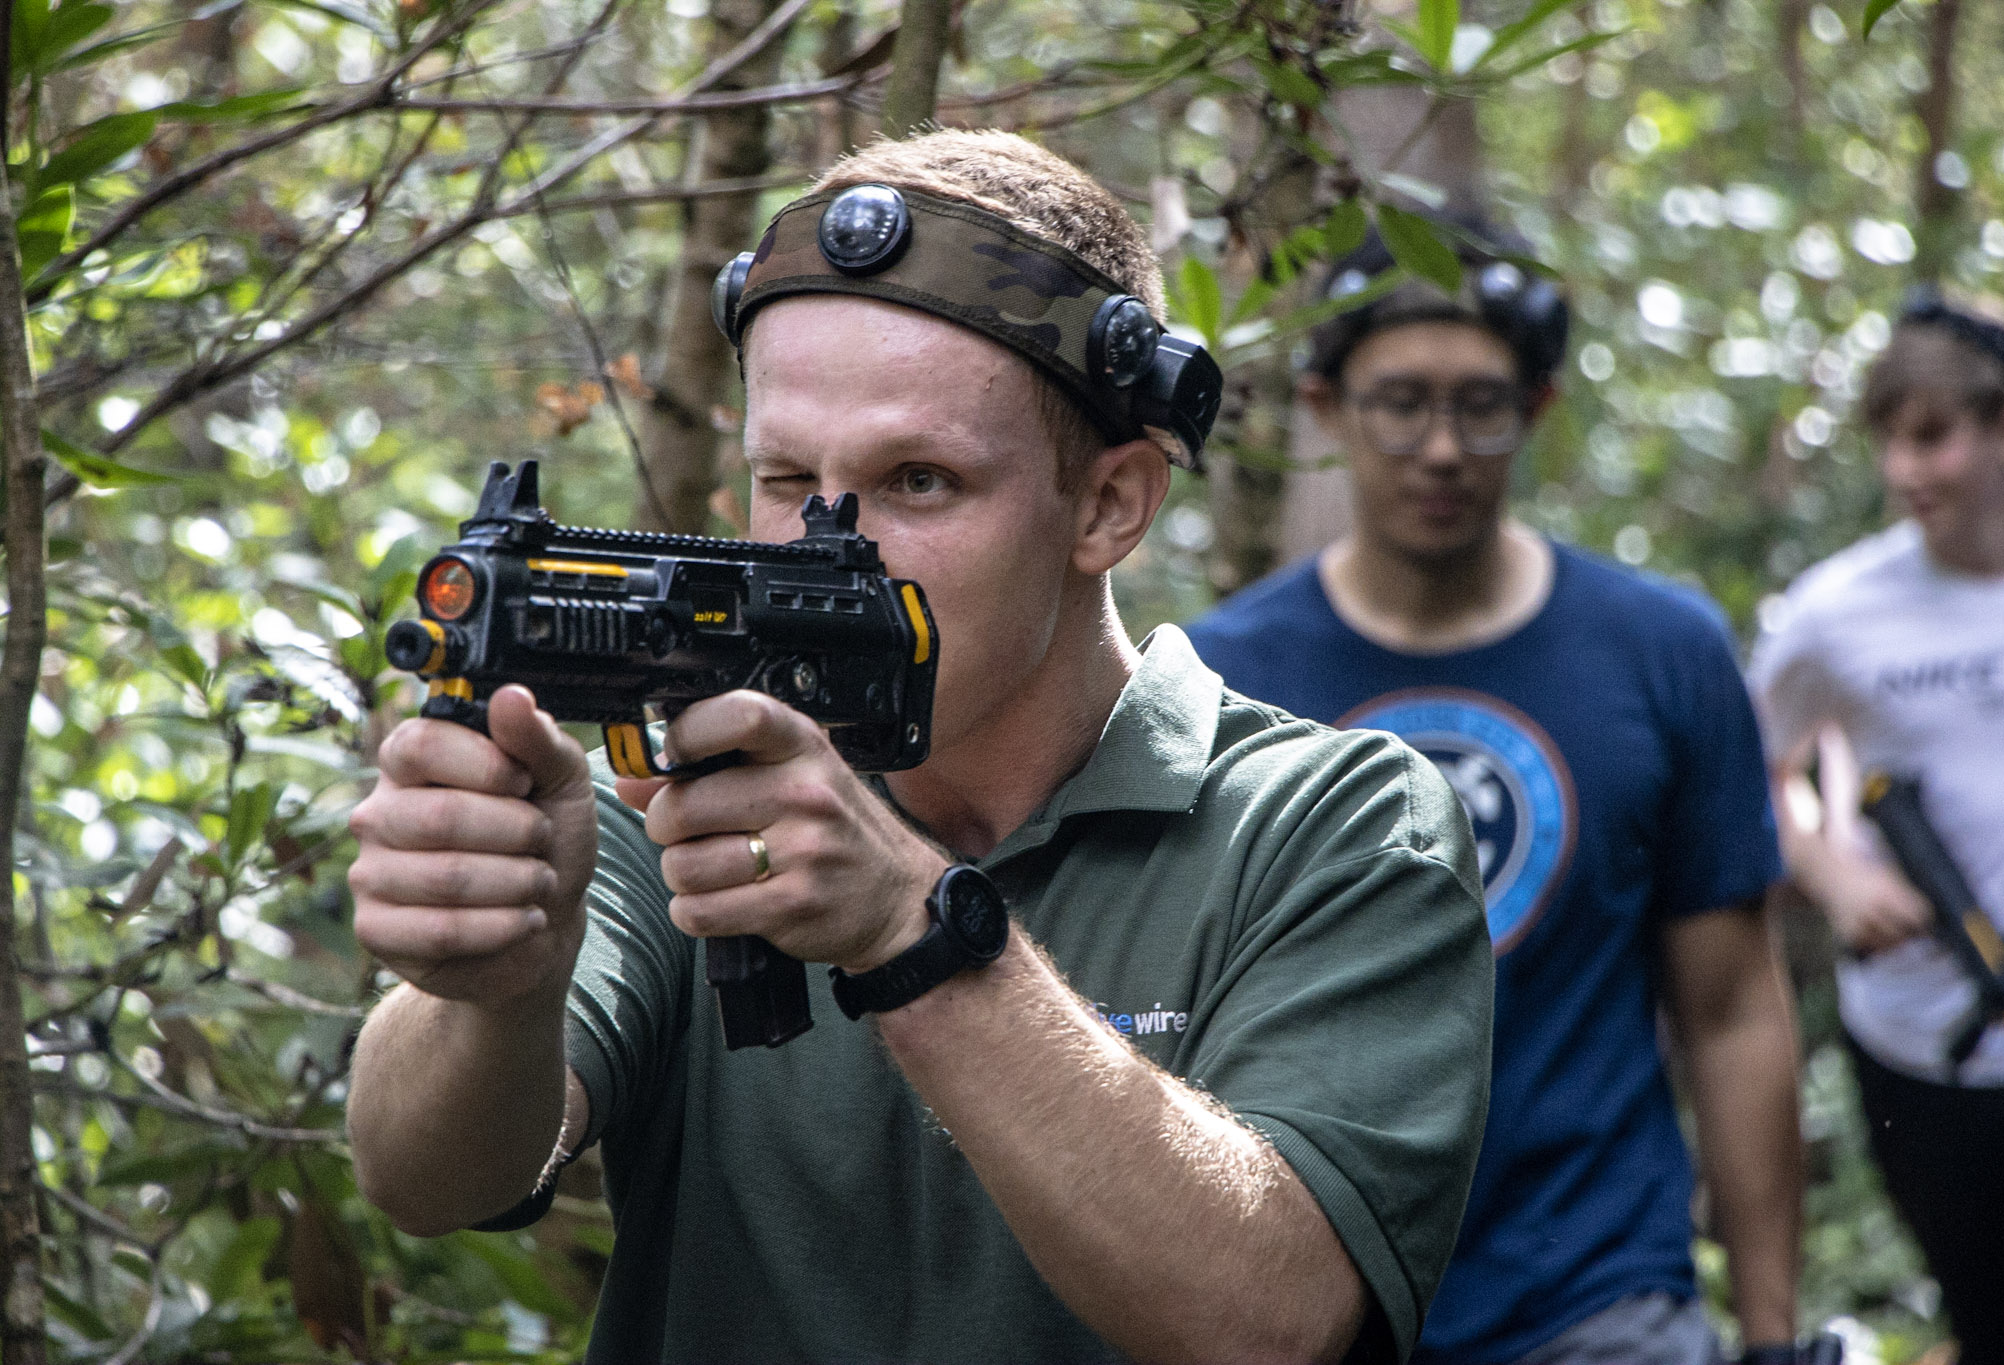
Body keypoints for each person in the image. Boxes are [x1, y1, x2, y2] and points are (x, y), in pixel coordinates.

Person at [343, 130, 1495, 1364]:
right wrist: (494, 984)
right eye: (786, 479)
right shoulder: (678, 804)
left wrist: (911, 932)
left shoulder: (1334, 826)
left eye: (920, 483)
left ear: (1109, 504)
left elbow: (1272, 1320)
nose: (825, 543)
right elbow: (428, 1181)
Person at [1186, 223, 1808, 1365]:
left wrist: (1768, 1337)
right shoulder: (1223, 678)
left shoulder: (1658, 653)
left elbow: (1730, 1011)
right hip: (1317, 1302)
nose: (1439, 448)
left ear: (1534, 409)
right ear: (1325, 409)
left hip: (1594, 1294)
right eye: (1398, 403)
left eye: (1479, 406)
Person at [1749, 292, 2004, 1365]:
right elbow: (1752, 766)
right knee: (1989, 1318)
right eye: (1888, 441)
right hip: (1921, 1043)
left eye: (1931, 436)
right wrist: (1830, 872)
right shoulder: (1834, 613)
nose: (1905, 471)